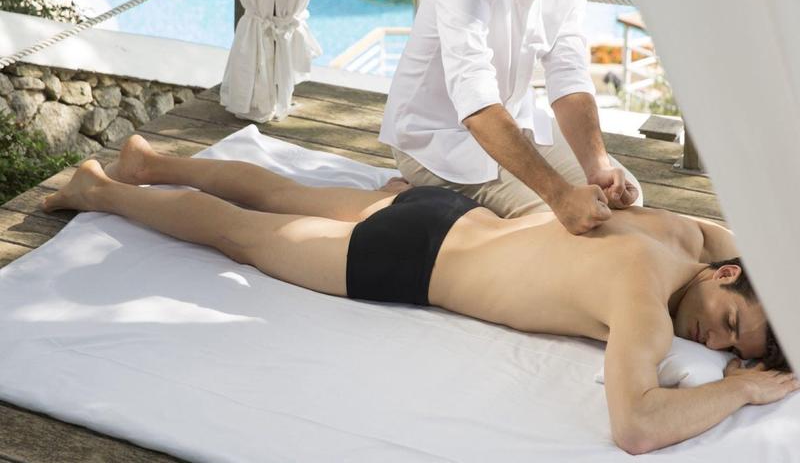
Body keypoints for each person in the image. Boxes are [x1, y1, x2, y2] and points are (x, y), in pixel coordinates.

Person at [44, 135, 796, 455]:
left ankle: (151, 162)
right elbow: (635, 427)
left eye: (734, 347)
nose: (714, 341)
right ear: (726, 277)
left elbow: (769, 254)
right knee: (239, 235)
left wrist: (768, 335)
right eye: (729, 323)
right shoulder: (643, 298)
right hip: (410, 259)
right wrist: (740, 391)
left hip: (448, 215)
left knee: (280, 193)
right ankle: (101, 192)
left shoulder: (695, 236)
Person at [380, 0, 641, 235]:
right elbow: (477, 105)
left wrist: (597, 166)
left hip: (513, 124)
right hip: (436, 142)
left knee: (627, 200)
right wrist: (560, 196)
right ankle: (408, 198)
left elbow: (568, 76)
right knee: (561, 226)